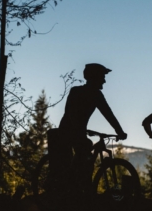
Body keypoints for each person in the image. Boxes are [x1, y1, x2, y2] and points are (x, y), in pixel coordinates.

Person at [51, 63, 127, 191]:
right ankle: (72, 183)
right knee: (84, 148)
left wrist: (119, 131)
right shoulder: (77, 91)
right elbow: (70, 113)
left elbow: (109, 114)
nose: (104, 80)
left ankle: (80, 184)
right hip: (67, 130)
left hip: (78, 131)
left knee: (85, 155)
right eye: (102, 76)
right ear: (94, 77)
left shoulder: (96, 94)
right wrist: (79, 129)